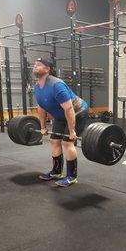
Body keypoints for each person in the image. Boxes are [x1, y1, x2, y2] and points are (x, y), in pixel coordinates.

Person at [33, 58, 89, 187]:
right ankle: (56, 172)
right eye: (35, 65)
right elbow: (41, 108)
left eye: (39, 65)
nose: (35, 66)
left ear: (47, 69)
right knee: (54, 141)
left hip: (78, 111)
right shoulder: (37, 87)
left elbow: (69, 109)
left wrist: (72, 131)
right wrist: (42, 126)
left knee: (66, 142)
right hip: (61, 115)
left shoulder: (56, 85)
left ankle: (71, 176)